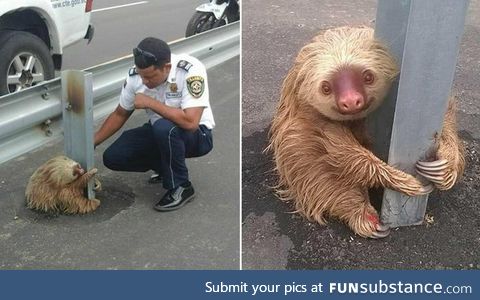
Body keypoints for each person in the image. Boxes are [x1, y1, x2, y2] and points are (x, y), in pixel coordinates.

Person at [94, 37, 215, 211]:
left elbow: (191, 122)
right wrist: (94, 141)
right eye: (142, 76)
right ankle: (165, 168)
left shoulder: (189, 70)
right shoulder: (136, 78)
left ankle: (181, 186)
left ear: (166, 67)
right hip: (161, 132)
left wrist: (150, 103)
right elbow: (120, 113)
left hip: (197, 136)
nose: (144, 82)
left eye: (150, 77)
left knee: (164, 128)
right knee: (113, 156)